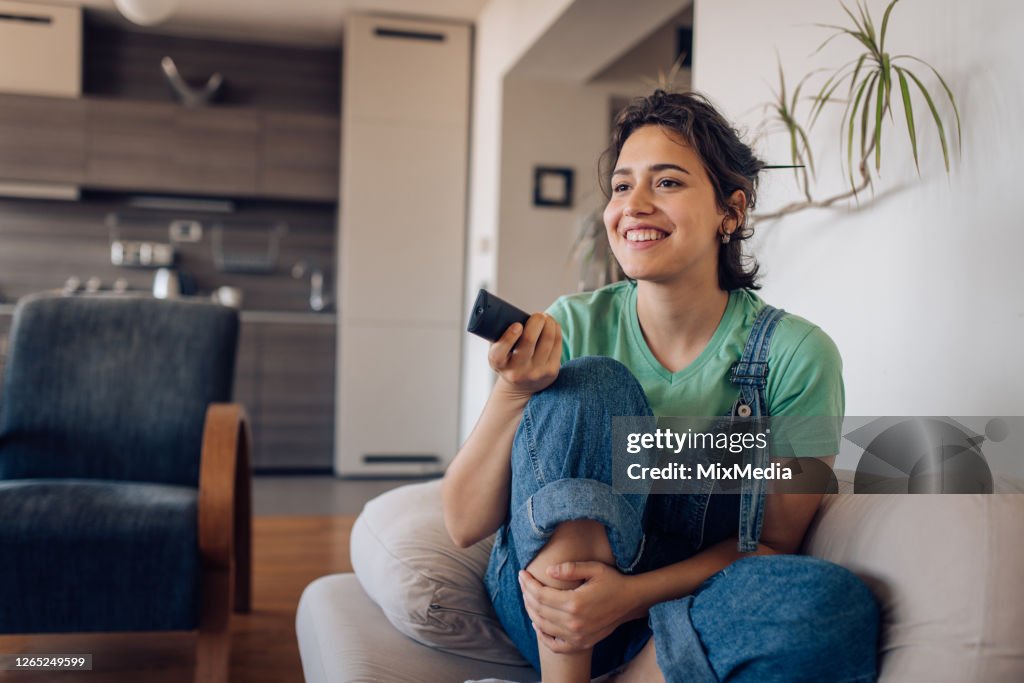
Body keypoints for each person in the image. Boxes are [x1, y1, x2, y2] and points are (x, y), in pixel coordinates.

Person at [442, 90, 879, 683]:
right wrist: (513, 393)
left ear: (732, 211)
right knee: (595, 384)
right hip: (546, 617)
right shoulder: (571, 325)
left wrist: (628, 596)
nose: (634, 205)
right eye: (622, 186)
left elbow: (771, 546)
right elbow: (464, 523)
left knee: (833, 605)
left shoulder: (796, 355)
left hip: (680, 611)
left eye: (667, 183)